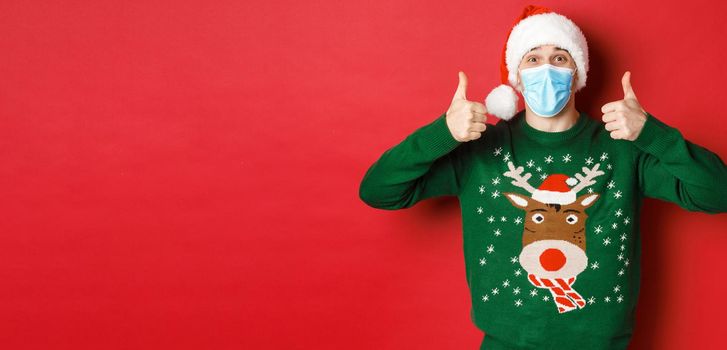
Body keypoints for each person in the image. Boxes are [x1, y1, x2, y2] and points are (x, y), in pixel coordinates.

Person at [358, 4, 727, 350]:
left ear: (578, 73)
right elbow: (379, 191)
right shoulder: (478, 149)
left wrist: (652, 134)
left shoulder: (623, 148)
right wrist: (442, 133)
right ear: (516, 77)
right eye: (533, 59)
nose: (546, 69)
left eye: (559, 58)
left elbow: (718, 194)